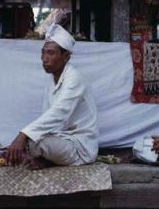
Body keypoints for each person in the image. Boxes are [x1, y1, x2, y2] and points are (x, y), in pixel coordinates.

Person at [5, 24, 99, 169]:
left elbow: (59, 113)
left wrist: (23, 135)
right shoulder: (52, 79)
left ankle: (46, 158)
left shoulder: (74, 78)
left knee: (33, 141)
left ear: (66, 56)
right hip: (61, 140)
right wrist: (24, 138)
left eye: (50, 53)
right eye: (43, 53)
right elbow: (48, 117)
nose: (44, 58)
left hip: (79, 147)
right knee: (30, 140)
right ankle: (46, 160)